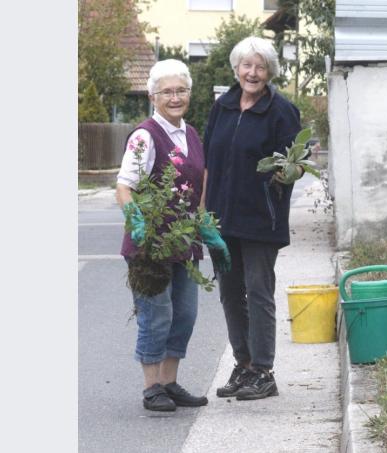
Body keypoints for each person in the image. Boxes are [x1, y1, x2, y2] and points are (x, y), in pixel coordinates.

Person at [116, 59, 231, 412]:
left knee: (184, 314)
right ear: (153, 96)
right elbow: (125, 186)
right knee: (157, 314)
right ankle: (152, 387)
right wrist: (137, 220)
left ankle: (169, 381)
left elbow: (196, 189)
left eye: (181, 90)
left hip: (184, 241)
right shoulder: (145, 136)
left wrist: (206, 227)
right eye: (167, 91)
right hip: (150, 244)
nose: (175, 97)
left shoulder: (191, 134)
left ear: (190, 94)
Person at [202, 36, 303, 401]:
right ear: (236, 69)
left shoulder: (281, 111)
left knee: (258, 291)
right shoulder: (223, 107)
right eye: (247, 65)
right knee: (230, 294)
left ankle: (263, 370)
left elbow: (298, 162)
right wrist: (203, 213)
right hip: (222, 219)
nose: (253, 73)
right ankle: (243, 364)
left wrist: (286, 173)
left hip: (262, 218)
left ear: (270, 72)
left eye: (260, 67)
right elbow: (208, 163)